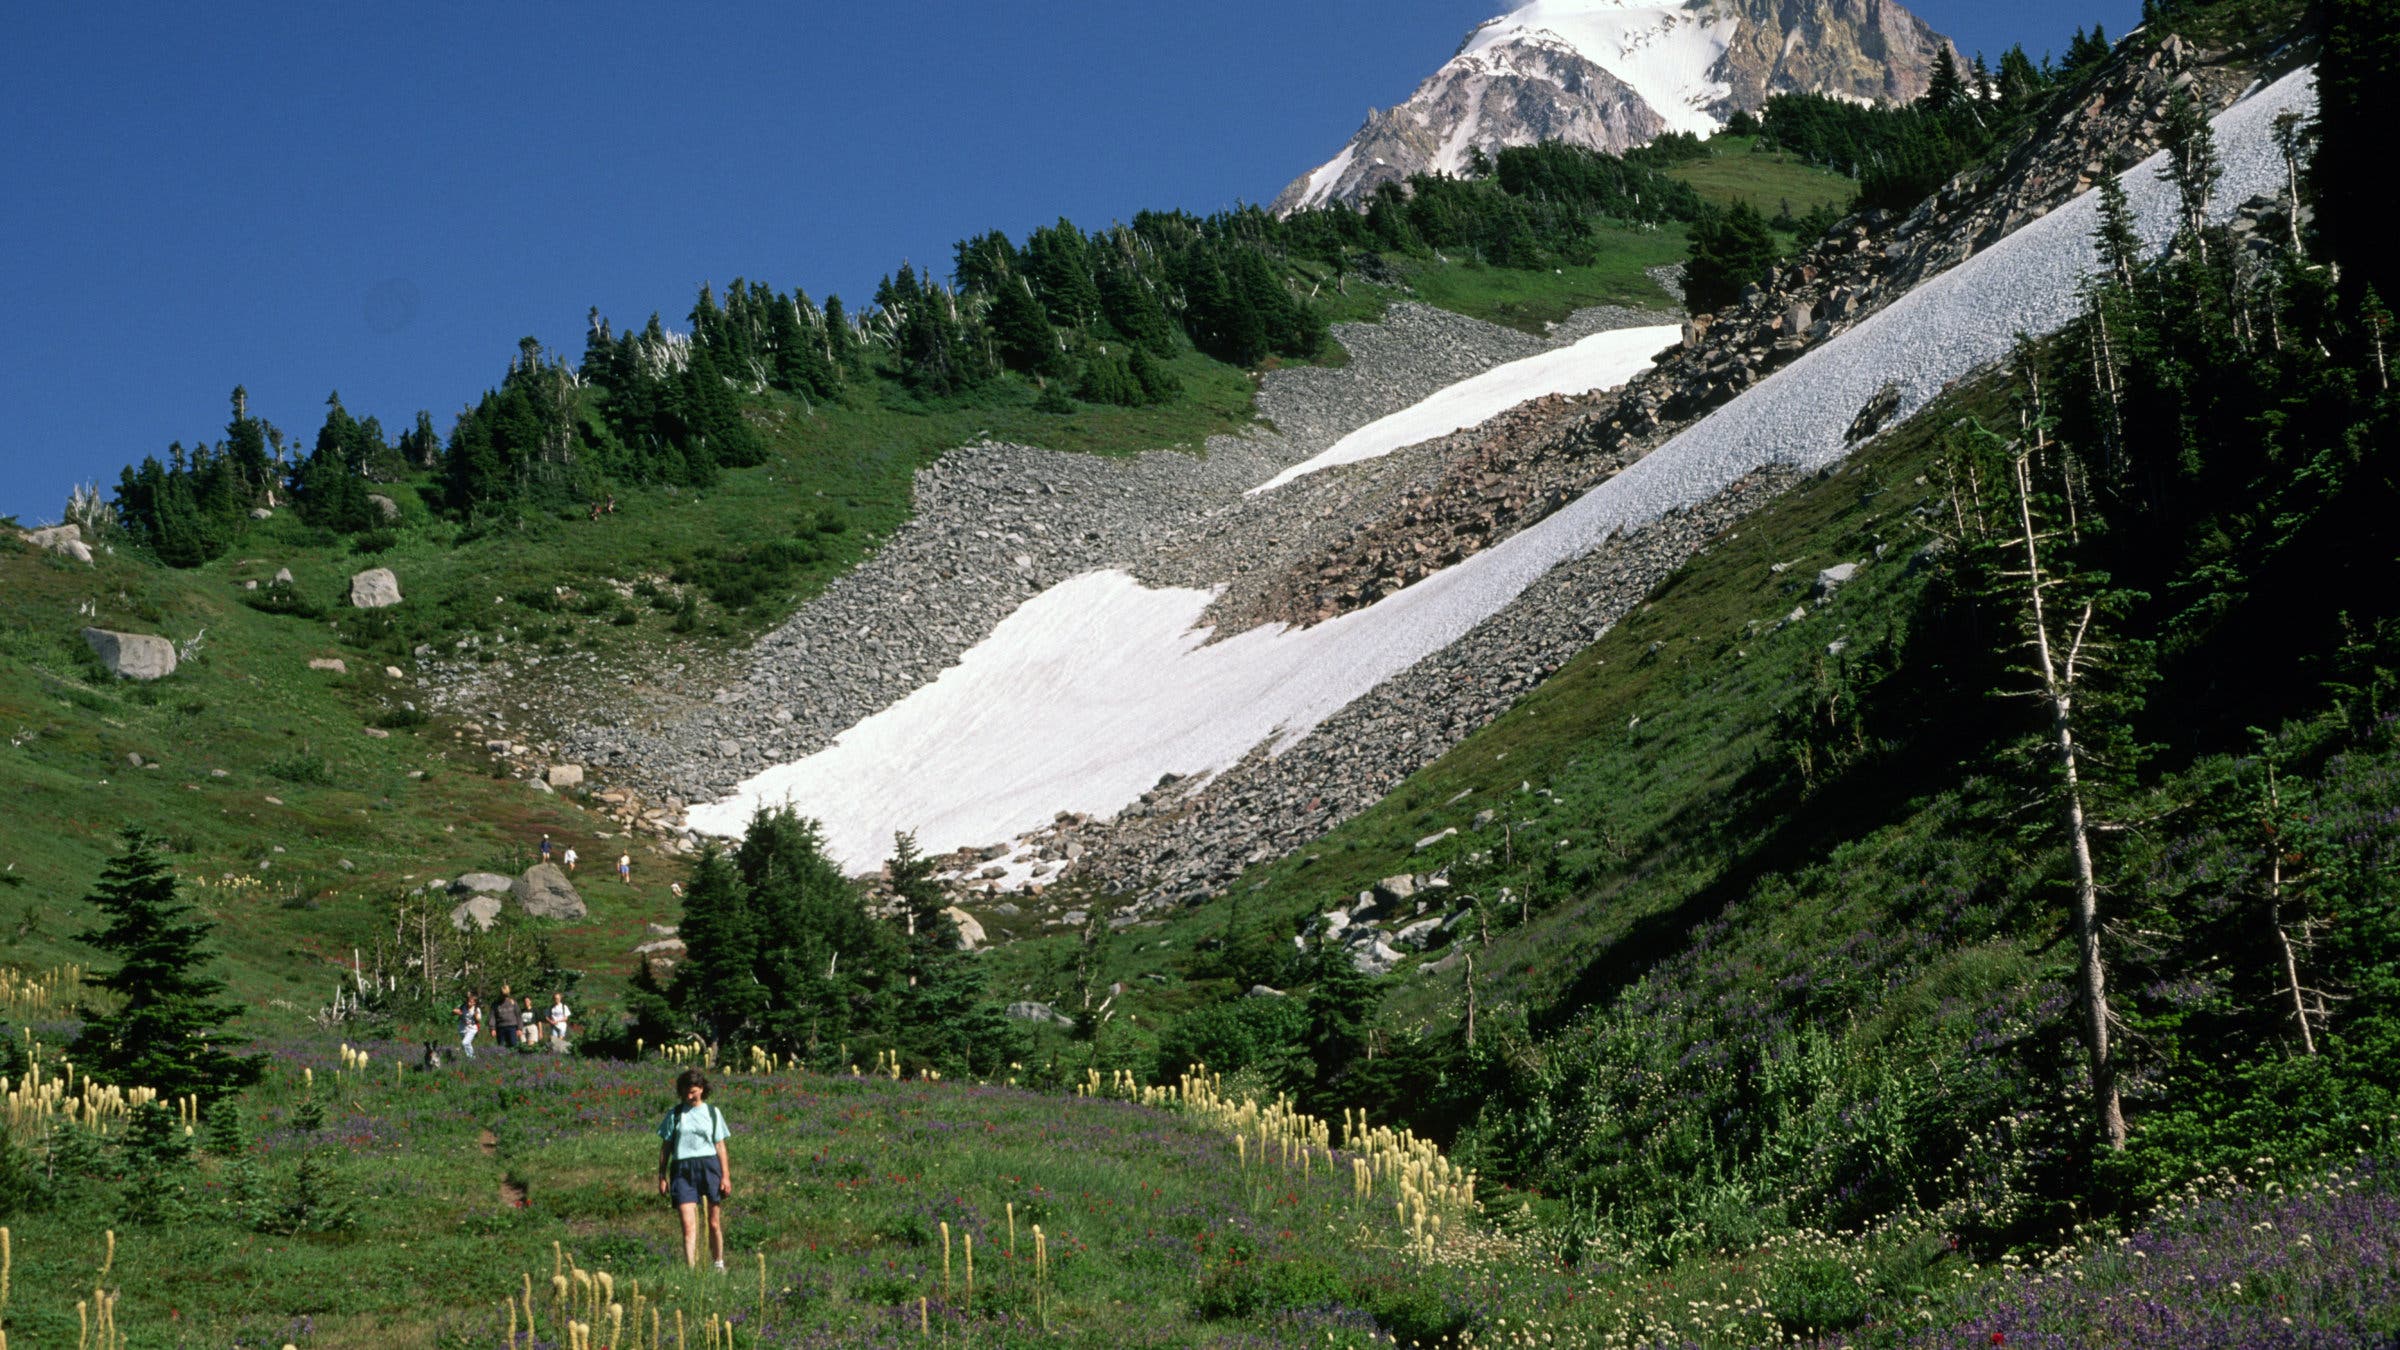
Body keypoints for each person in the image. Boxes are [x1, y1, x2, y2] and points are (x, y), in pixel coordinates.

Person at [656, 1069, 732, 1270]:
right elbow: (666, 1147)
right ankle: (691, 1271)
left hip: (709, 1168)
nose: (689, 1096)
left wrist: (726, 1176)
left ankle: (718, 1264)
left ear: (702, 1089)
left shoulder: (712, 1113)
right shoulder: (675, 1114)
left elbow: (720, 1146)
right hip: (682, 1170)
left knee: (713, 1223)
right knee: (688, 1227)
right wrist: (661, 1176)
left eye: (693, 1091)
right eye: (685, 1092)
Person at [455, 992, 482, 1060]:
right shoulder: (462, 1006)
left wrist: (476, 1015)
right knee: (468, 1044)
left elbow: (479, 1019)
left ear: (474, 1003)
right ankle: (472, 1058)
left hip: (472, 1028)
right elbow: (454, 1011)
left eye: (471, 1002)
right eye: (468, 1001)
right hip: (462, 1028)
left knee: (465, 1042)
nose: (469, 1002)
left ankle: (471, 1058)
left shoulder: (476, 1009)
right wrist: (456, 1012)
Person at [494, 985, 522, 1050]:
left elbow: (518, 1015)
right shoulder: (496, 1004)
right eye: (503, 995)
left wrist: (520, 1028)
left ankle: (514, 1059)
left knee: (513, 1045)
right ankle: (503, 1059)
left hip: (512, 1027)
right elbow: (492, 1016)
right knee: (501, 1046)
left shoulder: (513, 1002)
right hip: (500, 1027)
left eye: (506, 995)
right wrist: (492, 1028)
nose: (504, 997)